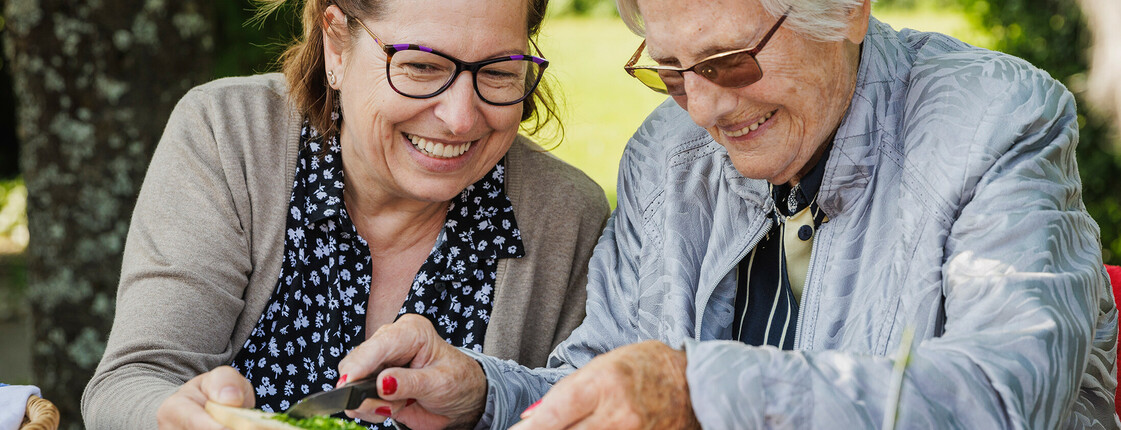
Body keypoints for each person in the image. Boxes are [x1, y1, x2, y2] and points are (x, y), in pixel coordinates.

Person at [328, 0, 1120, 428]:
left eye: (728, 62)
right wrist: (482, 393)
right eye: (669, 73)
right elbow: (602, 372)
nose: (702, 108)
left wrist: (699, 390)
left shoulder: (995, 120)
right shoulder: (662, 155)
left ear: (845, 11)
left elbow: (1003, 397)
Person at [80, 0, 611, 428]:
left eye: (498, 72)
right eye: (422, 66)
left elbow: (580, 408)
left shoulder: (565, 217)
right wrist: (175, 417)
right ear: (336, 42)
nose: (460, 118)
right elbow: (132, 381)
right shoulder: (231, 137)